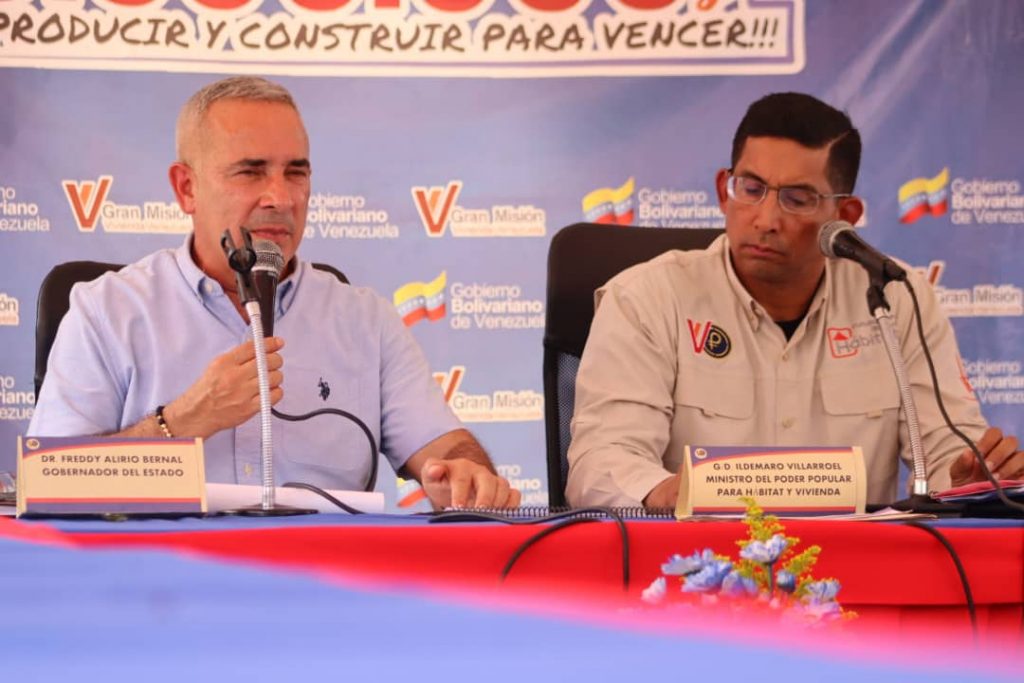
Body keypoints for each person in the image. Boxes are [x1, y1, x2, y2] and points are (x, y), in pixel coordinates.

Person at [29, 76, 520, 510]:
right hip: (158, 575)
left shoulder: (366, 321)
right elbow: (48, 484)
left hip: (324, 576)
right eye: (251, 171)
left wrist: (463, 473)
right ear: (187, 189)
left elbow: (444, 448)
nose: (281, 198)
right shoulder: (107, 311)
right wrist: (184, 420)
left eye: (296, 173)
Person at [565, 92, 1024, 509]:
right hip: (694, 563)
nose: (766, 219)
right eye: (751, 189)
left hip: (857, 564)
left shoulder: (896, 298)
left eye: (797, 199)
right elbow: (600, 463)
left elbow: (946, 450)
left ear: (844, 216)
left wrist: (968, 479)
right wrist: (666, 490)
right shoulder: (647, 298)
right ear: (724, 190)